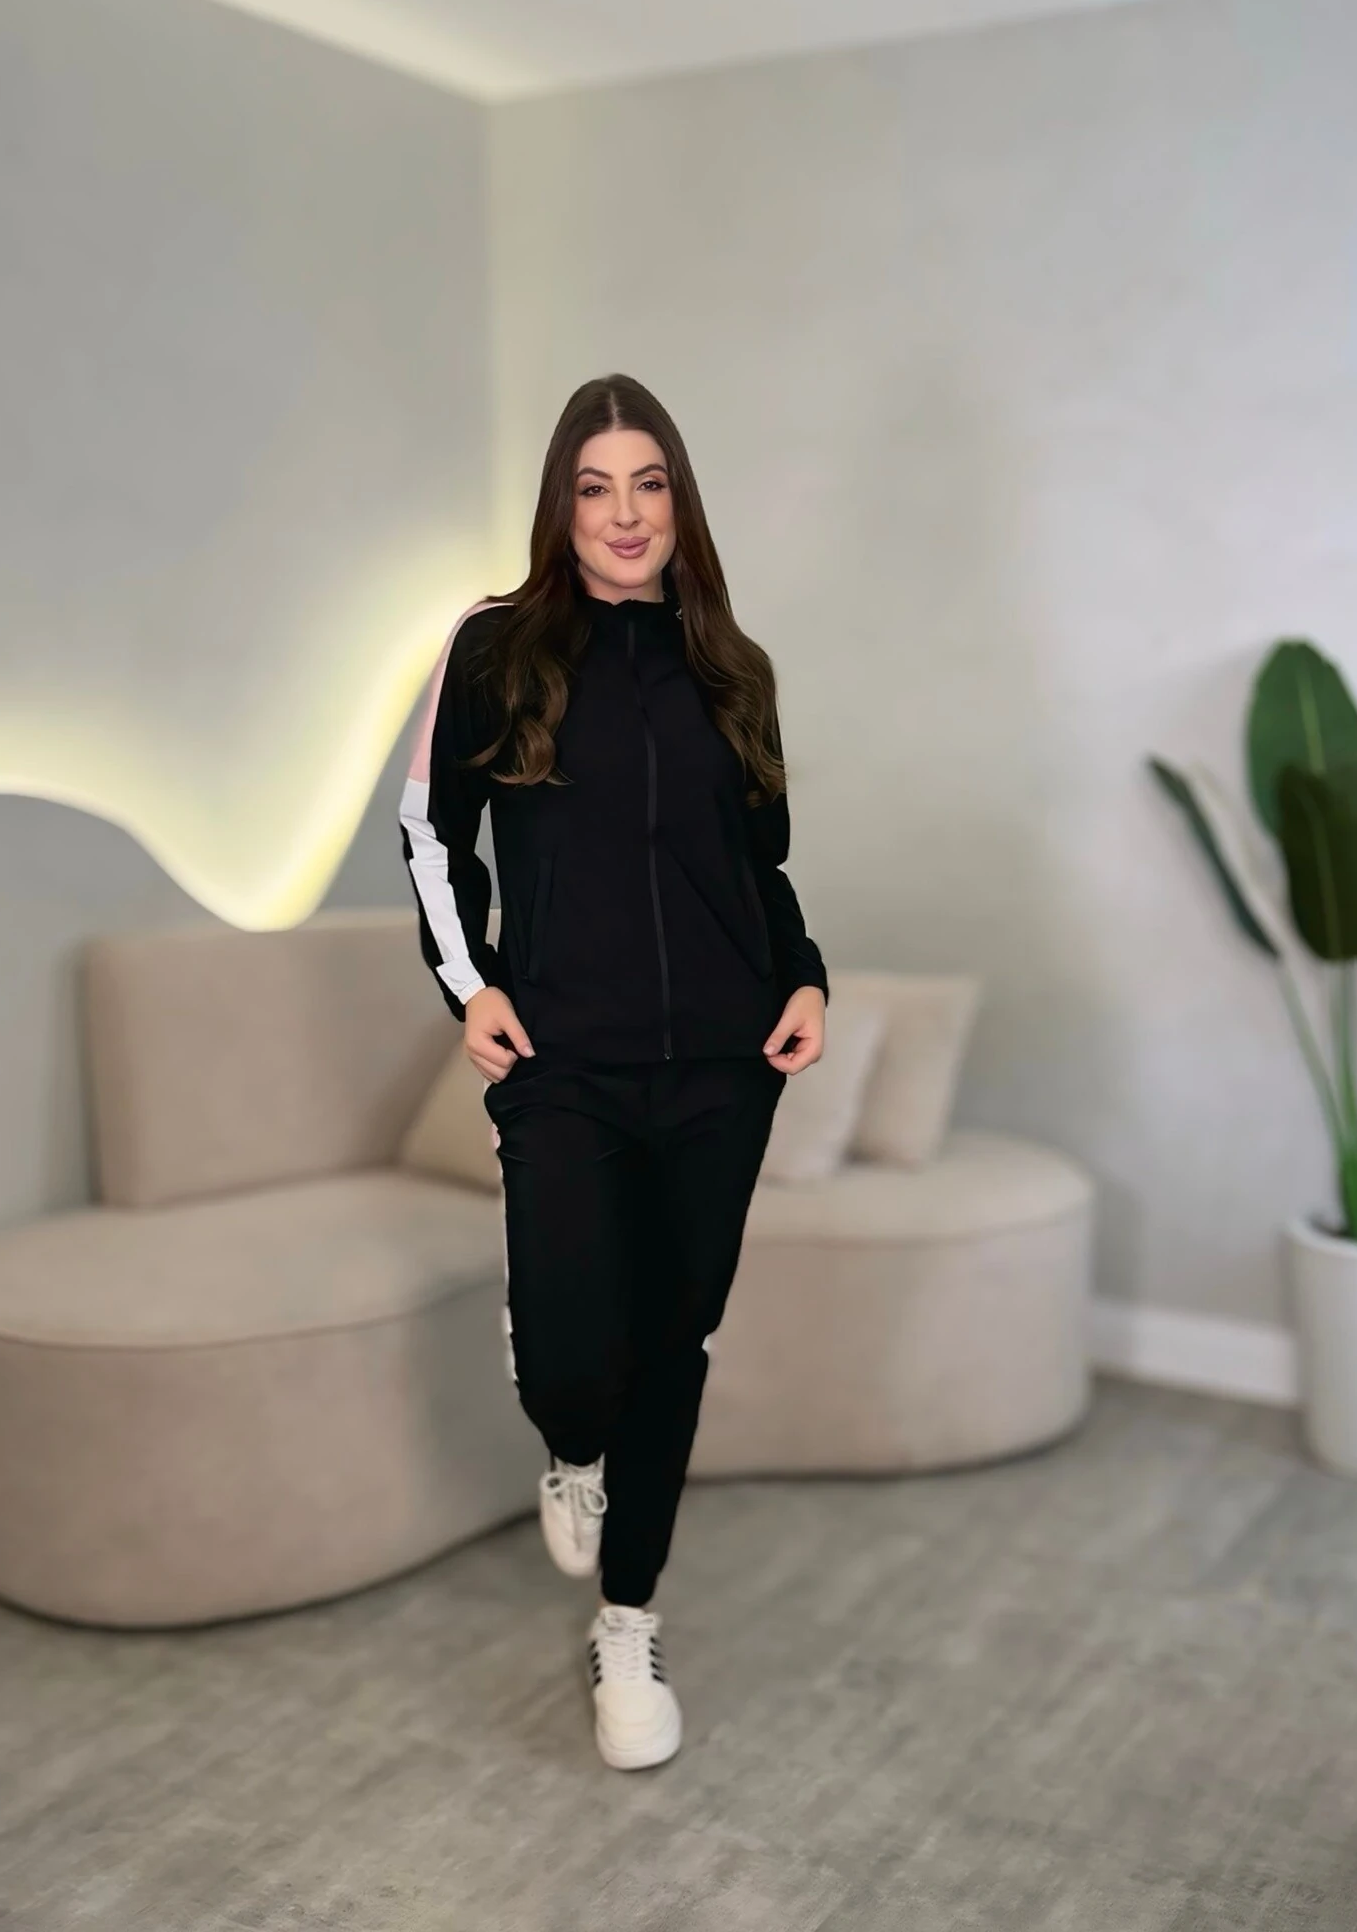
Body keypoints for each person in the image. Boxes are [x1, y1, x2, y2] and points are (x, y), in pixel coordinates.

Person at [399, 372, 828, 1771]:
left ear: (679, 502)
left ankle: (627, 1622)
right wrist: (470, 985)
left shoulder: (731, 666)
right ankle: (567, 1440)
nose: (625, 513)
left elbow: (759, 866)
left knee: (673, 1346)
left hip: (723, 1062)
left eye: (649, 484)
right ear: (561, 507)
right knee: (577, 1366)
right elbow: (429, 831)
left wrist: (804, 972)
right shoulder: (495, 645)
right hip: (563, 1061)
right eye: (596, 488)